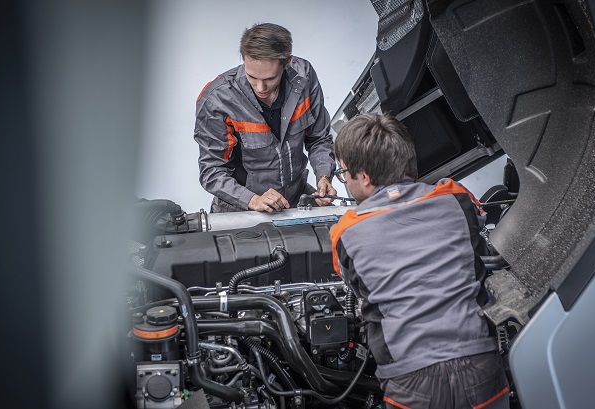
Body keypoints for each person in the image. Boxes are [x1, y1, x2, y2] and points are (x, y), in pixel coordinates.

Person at [330, 113, 510, 409]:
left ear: (364, 176)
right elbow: (479, 224)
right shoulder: (456, 197)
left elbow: (355, 286)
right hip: (480, 366)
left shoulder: (345, 232)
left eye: (344, 173)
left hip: (411, 381)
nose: (345, 180)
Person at [194, 23, 337, 213]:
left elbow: (319, 138)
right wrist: (252, 200)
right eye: (252, 77)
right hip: (241, 210)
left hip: (294, 201)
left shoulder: (304, 78)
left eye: (270, 78)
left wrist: (324, 176)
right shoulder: (218, 100)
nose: (261, 88)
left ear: (286, 63)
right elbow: (212, 171)